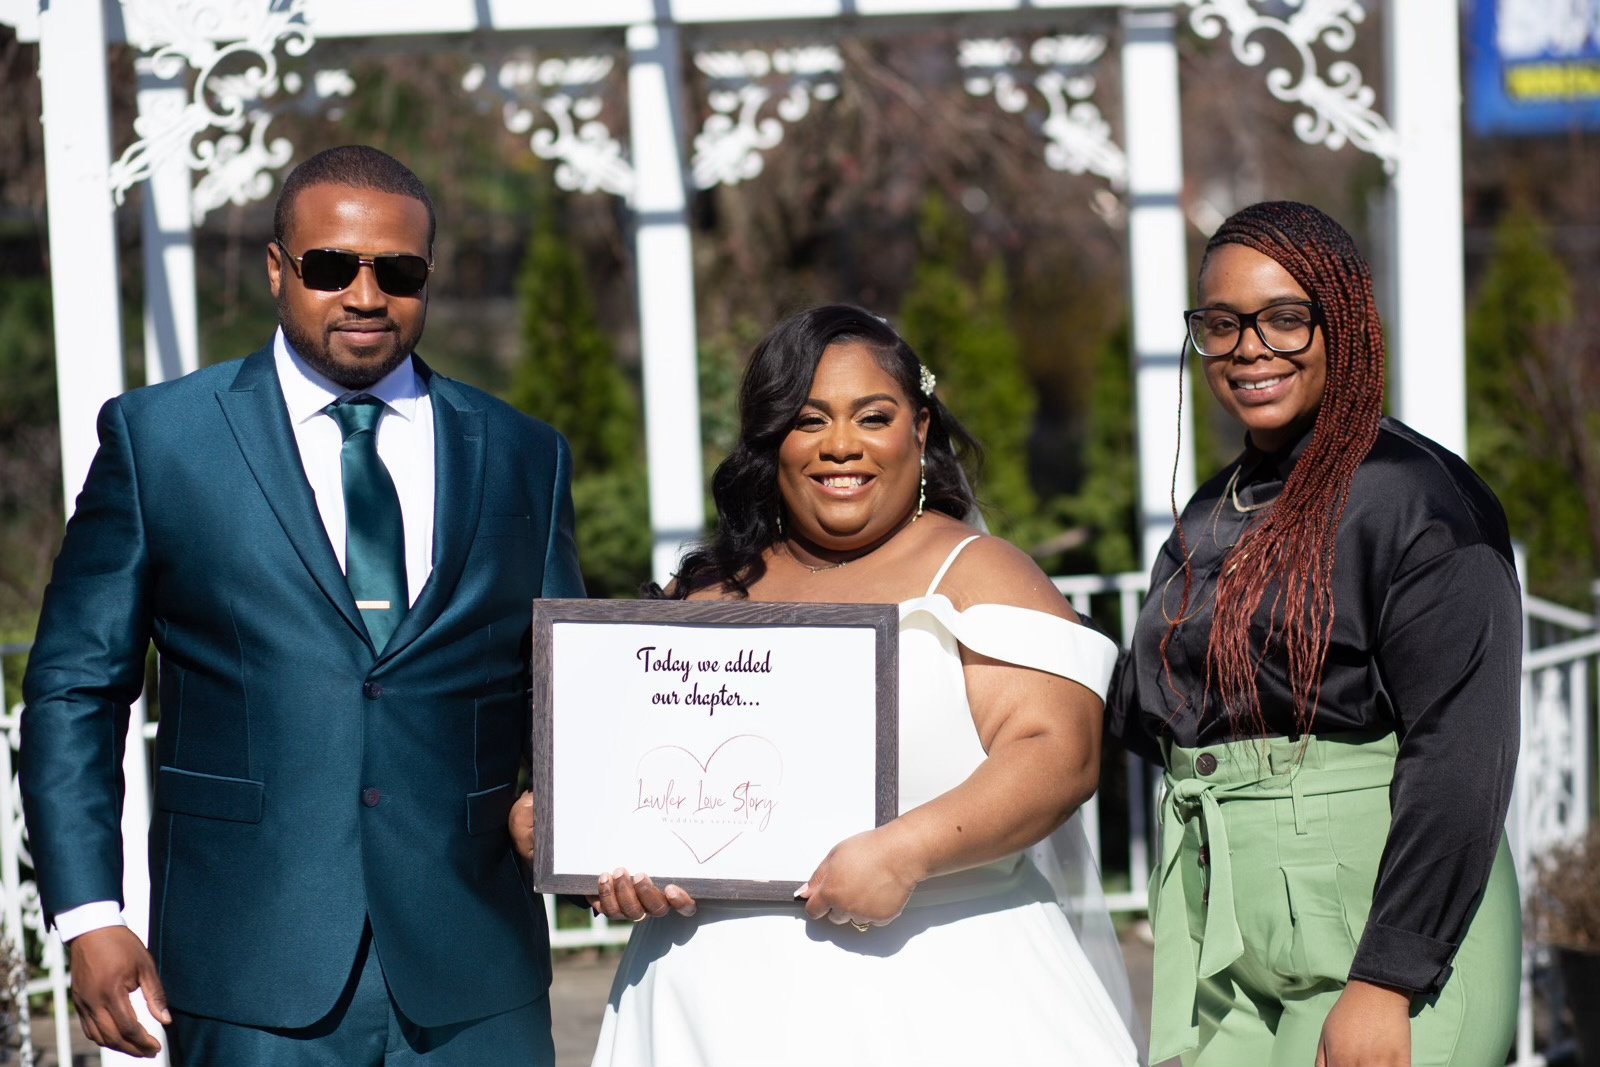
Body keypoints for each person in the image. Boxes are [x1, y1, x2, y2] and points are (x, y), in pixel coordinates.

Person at [21, 145, 583, 1064]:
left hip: (475, 972)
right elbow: (76, 689)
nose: (365, 294)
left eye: (396, 271)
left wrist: (572, 813)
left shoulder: (525, 453)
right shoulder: (161, 440)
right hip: (248, 971)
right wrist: (89, 914)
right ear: (278, 269)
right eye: (331, 266)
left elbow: (566, 689)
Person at [511, 304, 1140, 1066]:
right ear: (771, 441)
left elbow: (1057, 754)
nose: (841, 445)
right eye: (809, 421)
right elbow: (637, 777)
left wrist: (905, 852)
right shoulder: (707, 592)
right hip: (704, 1012)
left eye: (872, 416)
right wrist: (577, 832)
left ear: (920, 428)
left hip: (941, 994)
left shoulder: (982, 574)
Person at [1106, 201, 1522, 1067]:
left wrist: (1387, 979)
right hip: (1229, 927)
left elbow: (1462, 750)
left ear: (1346, 325)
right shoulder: (1213, 511)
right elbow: (1156, 718)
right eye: (1221, 324)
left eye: (1285, 318)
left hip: (1378, 927)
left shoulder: (1415, 498)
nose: (1250, 347)